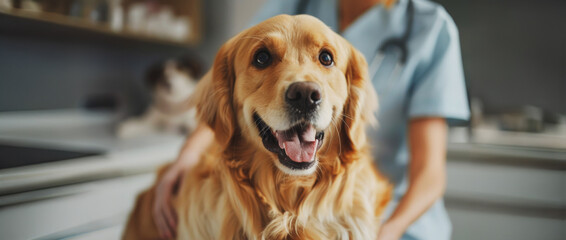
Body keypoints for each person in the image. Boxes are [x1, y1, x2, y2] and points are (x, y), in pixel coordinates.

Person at [152, 0, 469, 239]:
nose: (305, 89)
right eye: (266, 58)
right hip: (272, 206)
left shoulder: (432, 28)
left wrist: (386, 231)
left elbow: (430, 173)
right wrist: (188, 157)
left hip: (394, 216)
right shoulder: (298, 3)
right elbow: (231, 76)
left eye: (326, 58)